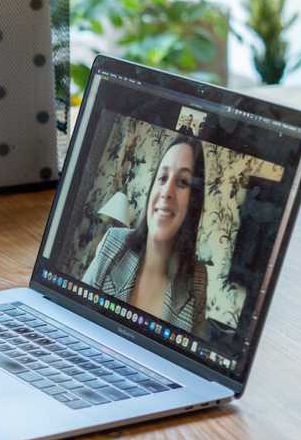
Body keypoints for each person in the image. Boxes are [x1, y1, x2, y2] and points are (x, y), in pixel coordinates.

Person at [82, 135, 209, 335]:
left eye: (183, 182)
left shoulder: (197, 279)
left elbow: (190, 360)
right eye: (162, 178)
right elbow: (75, 316)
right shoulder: (112, 242)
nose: (167, 191)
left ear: (193, 202)